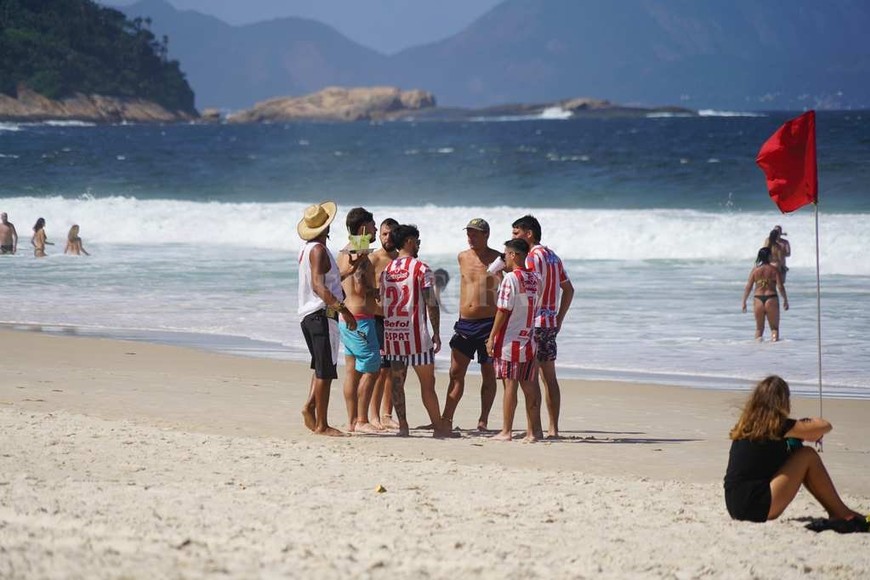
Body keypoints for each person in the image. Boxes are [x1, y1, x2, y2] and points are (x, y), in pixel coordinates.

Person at [724, 375, 869, 532]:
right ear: (782, 402)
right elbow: (825, 426)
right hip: (756, 505)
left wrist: (802, 432)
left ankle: (838, 511)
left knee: (798, 452)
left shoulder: (748, 425)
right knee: (807, 455)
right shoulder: (778, 426)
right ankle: (841, 513)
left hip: (735, 504)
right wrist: (807, 423)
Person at [380, 224, 452, 438]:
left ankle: (403, 426)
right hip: (416, 336)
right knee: (428, 385)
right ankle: (438, 427)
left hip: (393, 333)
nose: (419, 244)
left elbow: (383, 301)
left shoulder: (387, 270)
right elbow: (431, 302)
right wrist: (437, 332)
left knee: (397, 383)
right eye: (417, 240)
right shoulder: (421, 268)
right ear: (409, 241)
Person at [297, 201, 357, 437]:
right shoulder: (319, 250)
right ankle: (322, 424)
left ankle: (310, 407)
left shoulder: (307, 249)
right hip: (322, 315)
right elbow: (319, 286)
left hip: (310, 315)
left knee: (321, 367)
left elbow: (326, 280)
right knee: (326, 371)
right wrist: (344, 310)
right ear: (326, 226)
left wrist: (351, 270)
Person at [511, 215, 574, 438]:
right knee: (550, 377)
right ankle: (553, 428)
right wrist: (558, 318)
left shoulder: (531, 257)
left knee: (529, 376)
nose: (513, 238)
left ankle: (533, 429)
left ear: (529, 234)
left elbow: (528, 287)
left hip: (532, 323)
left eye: (516, 233)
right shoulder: (553, 257)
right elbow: (569, 289)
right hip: (548, 323)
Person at [440, 218, 502, 432]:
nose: (470, 237)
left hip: (489, 324)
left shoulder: (498, 259)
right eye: (468, 233)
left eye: (475, 234)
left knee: (488, 373)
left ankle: (483, 420)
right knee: (455, 373)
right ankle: (446, 418)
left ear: (486, 235)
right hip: (465, 324)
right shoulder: (463, 257)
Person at [487, 239, 543, 442]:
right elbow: (526, 303)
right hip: (528, 338)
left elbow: (503, 310)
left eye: (506, 254)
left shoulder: (510, 278)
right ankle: (532, 432)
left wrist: (492, 337)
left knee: (510, 386)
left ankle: (506, 431)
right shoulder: (536, 278)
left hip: (510, 340)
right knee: (529, 386)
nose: (504, 258)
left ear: (513, 255)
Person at [336, 207, 381, 433]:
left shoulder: (343, 251)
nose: (375, 228)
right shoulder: (358, 250)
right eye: (373, 225)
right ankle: (362, 420)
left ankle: (352, 421)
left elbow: (344, 279)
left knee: (352, 371)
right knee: (373, 368)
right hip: (360, 319)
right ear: (363, 227)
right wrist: (376, 291)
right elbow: (360, 286)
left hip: (346, 318)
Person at [369, 217, 400, 430]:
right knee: (380, 369)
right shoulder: (373, 259)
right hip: (377, 319)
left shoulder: (402, 259)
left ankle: (387, 413)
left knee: (393, 369)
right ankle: (373, 414)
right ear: (379, 235)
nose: (387, 238)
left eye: (391, 234)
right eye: (384, 233)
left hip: (397, 321)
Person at [742, 247, 788, 342]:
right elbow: (780, 287)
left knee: (759, 329)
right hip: (771, 298)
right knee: (774, 328)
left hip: (758, 299)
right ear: (768, 256)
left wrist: (744, 301)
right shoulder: (774, 269)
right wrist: (785, 300)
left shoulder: (755, 270)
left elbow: (748, 287)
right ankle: (775, 351)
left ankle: (758, 352)